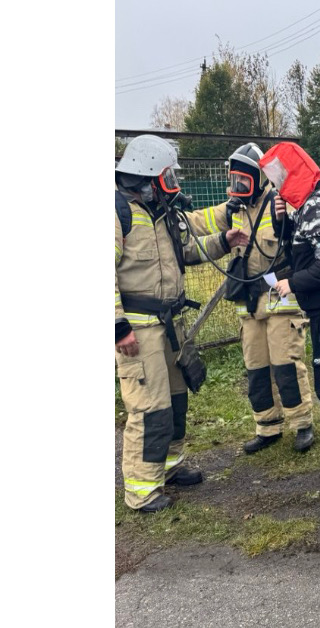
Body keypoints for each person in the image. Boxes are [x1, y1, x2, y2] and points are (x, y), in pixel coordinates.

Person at [115, 135, 248, 512]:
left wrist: (224, 239)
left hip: (168, 324)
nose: (172, 182)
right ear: (148, 175)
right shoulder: (117, 213)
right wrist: (118, 328)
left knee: (175, 400)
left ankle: (168, 467)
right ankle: (141, 491)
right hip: (139, 331)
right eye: (167, 174)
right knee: (148, 407)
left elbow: (187, 249)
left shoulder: (161, 212)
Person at [187, 144, 317, 456]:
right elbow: (196, 221)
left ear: (259, 178)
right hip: (248, 301)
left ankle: (301, 423)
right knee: (256, 367)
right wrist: (171, 211)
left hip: (279, 298)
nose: (237, 188)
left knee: (286, 363)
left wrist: (293, 219)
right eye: (233, 182)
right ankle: (267, 426)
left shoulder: (280, 204)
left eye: (243, 182)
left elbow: (306, 235)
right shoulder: (231, 210)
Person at [258, 142, 320, 481]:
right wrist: (280, 215)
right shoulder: (307, 205)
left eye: (279, 177)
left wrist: (291, 283)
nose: (277, 185)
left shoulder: (316, 206)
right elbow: (296, 244)